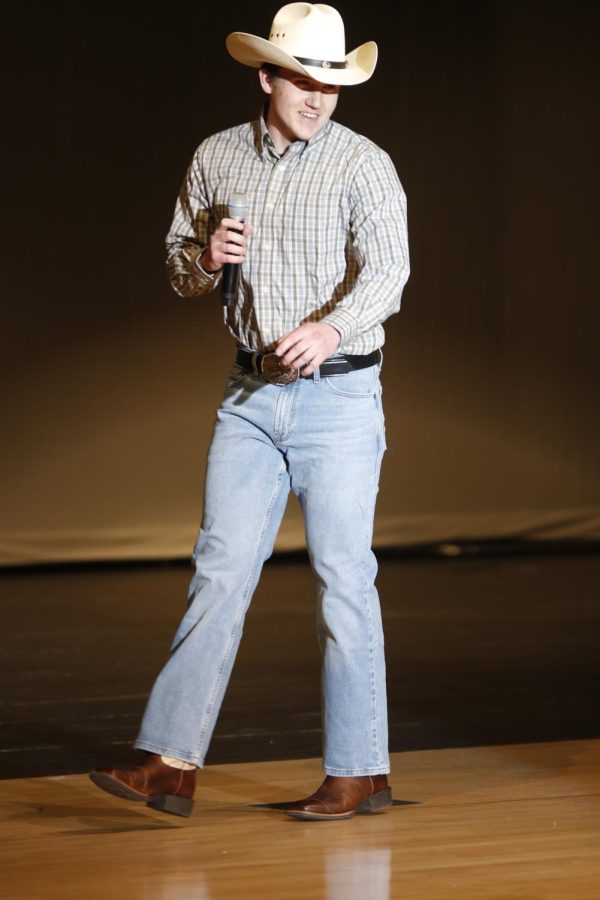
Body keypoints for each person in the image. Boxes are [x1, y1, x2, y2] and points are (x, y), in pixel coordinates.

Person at [90, 2, 409, 822]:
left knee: (344, 580)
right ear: (265, 76)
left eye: (331, 81)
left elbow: (388, 275)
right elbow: (177, 266)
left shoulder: (363, 163)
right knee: (220, 571)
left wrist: (329, 325)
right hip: (248, 397)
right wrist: (203, 258)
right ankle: (170, 763)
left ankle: (359, 768)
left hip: (339, 395)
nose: (317, 96)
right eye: (302, 78)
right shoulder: (216, 158)